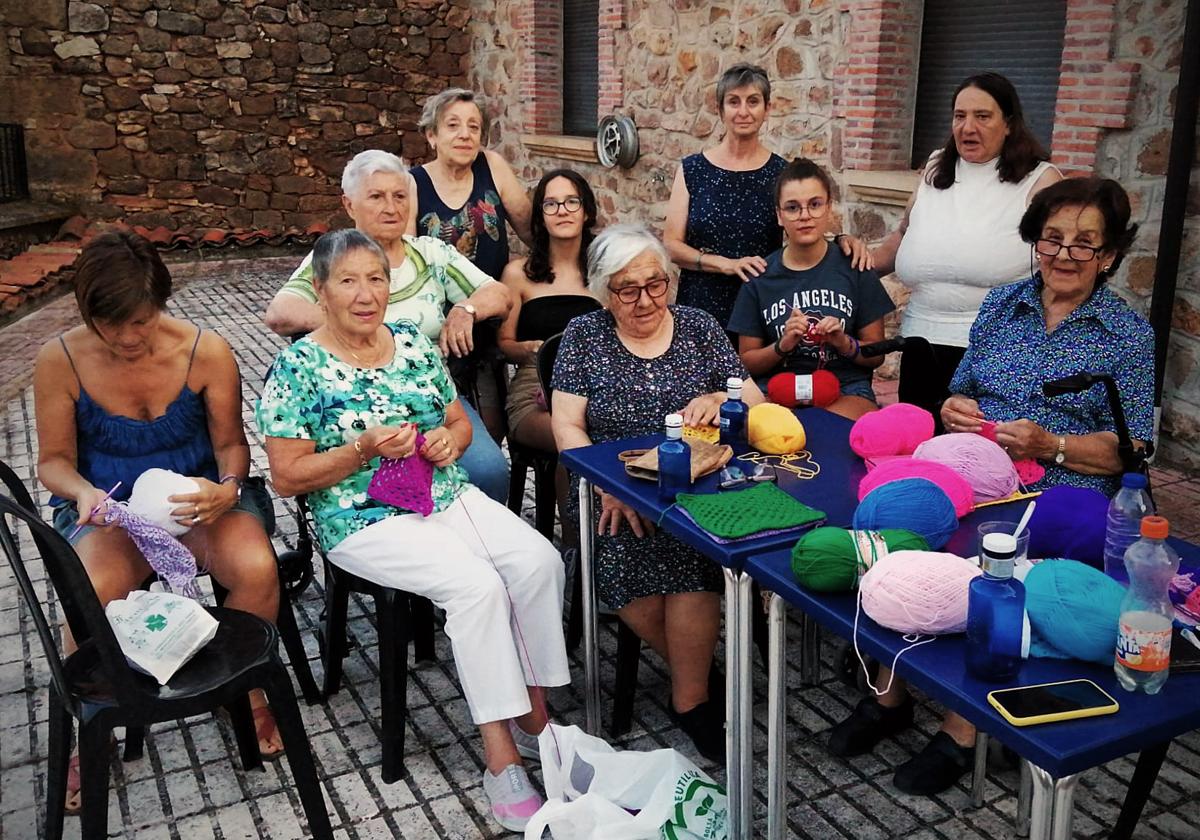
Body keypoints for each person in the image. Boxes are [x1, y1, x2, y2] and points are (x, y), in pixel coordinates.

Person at [833, 177, 1152, 796]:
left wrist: (1051, 445)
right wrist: (955, 406)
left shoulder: (1126, 335)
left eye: (1084, 243)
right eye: (1052, 238)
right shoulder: (1003, 305)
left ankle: (963, 731)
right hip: (977, 468)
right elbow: (967, 387)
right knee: (897, 525)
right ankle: (888, 693)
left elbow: (1134, 448)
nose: (1064, 254)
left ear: (1110, 255)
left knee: (992, 572)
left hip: (1060, 493)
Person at [257, 229, 569, 833]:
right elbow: (288, 476)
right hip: (362, 518)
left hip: (442, 497)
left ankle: (536, 720)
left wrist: (451, 441)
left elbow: (456, 421)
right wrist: (360, 448)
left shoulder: (411, 344)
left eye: (375, 278)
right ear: (321, 292)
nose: (365, 292)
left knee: (538, 561)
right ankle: (500, 760)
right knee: (477, 587)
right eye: (348, 280)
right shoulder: (299, 367)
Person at [34, 232, 285, 814]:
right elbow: (53, 462)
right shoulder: (61, 360)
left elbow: (231, 445)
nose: (126, 337)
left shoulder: (207, 351)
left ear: (161, 305)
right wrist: (82, 492)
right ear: (86, 312)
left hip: (196, 500)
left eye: (140, 322)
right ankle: (90, 716)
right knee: (89, 592)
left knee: (255, 566)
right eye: (108, 323)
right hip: (113, 510)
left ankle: (241, 691)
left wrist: (225, 491)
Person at [551, 224, 765, 762]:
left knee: (695, 554)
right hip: (610, 492)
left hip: (697, 488)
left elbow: (755, 399)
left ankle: (689, 698)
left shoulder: (698, 327)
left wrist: (720, 398)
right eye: (627, 289)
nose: (645, 300)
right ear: (605, 291)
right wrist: (608, 483)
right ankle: (701, 675)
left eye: (655, 285)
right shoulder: (584, 335)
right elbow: (567, 428)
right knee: (625, 550)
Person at [263, 149, 512, 504]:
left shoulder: (430, 253)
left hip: (430, 395)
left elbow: (500, 294)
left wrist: (465, 309)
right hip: (351, 404)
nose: (391, 207)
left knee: (489, 470)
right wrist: (358, 327)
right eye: (376, 197)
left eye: (399, 196)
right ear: (349, 205)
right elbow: (280, 312)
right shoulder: (333, 258)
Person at [851, 72, 1061, 428]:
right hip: (921, 345)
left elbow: (1057, 269)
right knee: (919, 441)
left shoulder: (1040, 180)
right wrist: (844, 263)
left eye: (982, 116)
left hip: (995, 352)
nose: (967, 127)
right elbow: (903, 235)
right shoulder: (936, 167)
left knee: (973, 454)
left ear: (1008, 123)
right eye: (960, 116)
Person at [663, 63, 867, 329]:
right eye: (734, 102)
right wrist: (724, 264)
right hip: (700, 305)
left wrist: (842, 241)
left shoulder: (781, 173)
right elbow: (672, 245)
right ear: (720, 110)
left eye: (753, 101)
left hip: (761, 305)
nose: (743, 111)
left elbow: (803, 226)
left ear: (767, 109)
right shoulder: (692, 170)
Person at [408, 88, 535, 442]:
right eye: (453, 125)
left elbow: (530, 230)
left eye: (474, 127)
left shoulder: (491, 166)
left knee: (493, 430)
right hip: (438, 331)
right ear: (431, 134)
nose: (465, 134)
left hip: (490, 319)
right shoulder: (413, 184)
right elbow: (404, 258)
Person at [728, 158, 895, 420]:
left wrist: (842, 342)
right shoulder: (759, 277)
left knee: (824, 429)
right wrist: (782, 345)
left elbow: (877, 355)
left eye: (815, 205)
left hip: (845, 388)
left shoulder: (854, 266)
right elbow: (746, 362)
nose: (805, 215)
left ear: (829, 208)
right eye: (792, 208)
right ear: (779, 215)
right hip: (775, 388)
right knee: (765, 429)